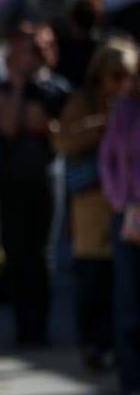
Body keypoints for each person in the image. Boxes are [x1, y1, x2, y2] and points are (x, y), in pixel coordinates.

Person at [55, 38, 137, 371]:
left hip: (128, 211)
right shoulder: (83, 102)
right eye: (116, 75)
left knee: (124, 288)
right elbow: (63, 140)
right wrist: (99, 125)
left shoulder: (131, 108)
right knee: (93, 281)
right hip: (93, 207)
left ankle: (120, 352)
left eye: (129, 76)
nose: (122, 84)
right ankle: (94, 344)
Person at [0, 21, 71, 346]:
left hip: (46, 177)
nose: (30, 56)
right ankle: (23, 327)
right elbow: (8, 127)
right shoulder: (3, 87)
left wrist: (48, 126)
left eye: (36, 49)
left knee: (43, 254)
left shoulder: (59, 88)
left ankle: (42, 326)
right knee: (17, 252)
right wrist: (19, 82)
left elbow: (64, 140)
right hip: (13, 178)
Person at [99, 46, 140, 395]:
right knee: (127, 297)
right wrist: (119, 200)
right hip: (128, 213)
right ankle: (131, 378)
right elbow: (108, 159)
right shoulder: (125, 111)